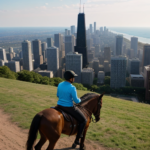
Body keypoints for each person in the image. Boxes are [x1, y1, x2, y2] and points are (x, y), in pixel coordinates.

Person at [57, 70, 87, 144]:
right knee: (84, 120)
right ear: (70, 78)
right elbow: (76, 101)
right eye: (73, 77)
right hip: (68, 107)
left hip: (59, 105)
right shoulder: (72, 87)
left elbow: (58, 95)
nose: (74, 78)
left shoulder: (60, 84)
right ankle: (77, 139)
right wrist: (80, 99)